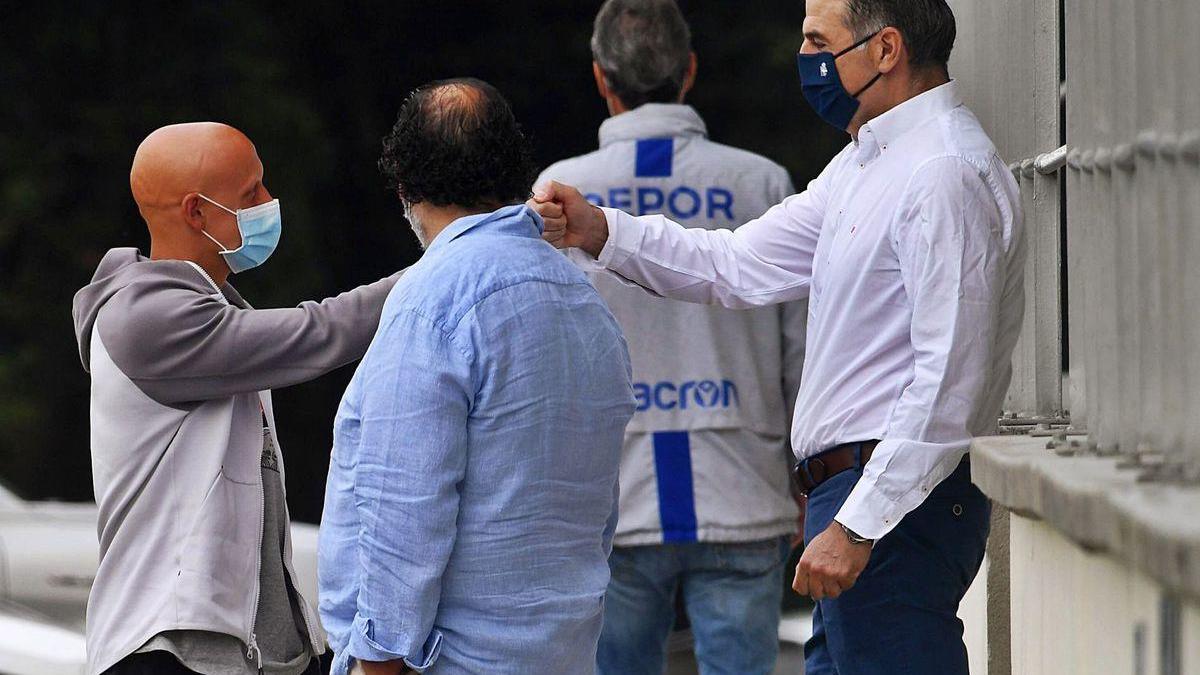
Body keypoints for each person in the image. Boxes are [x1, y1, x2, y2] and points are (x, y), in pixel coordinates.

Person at [529, 0, 1028, 672]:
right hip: (861, 501)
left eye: (818, 41)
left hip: (888, 507)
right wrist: (600, 230)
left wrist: (857, 524)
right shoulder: (865, 164)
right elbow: (734, 264)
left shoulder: (941, 172)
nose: (808, 61)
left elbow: (949, 383)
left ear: (885, 50)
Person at [317, 78, 636, 675]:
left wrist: (377, 658)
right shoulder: (587, 304)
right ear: (517, 174)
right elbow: (596, 508)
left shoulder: (429, 301)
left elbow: (403, 504)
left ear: (405, 187)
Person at [71, 122, 402, 675]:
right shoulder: (150, 320)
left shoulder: (208, 306)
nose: (271, 203)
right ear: (196, 214)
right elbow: (322, 332)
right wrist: (447, 265)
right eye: (251, 194)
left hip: (242, 646)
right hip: (175, 647)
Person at [535, 1, 805, 673]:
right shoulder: (762, 181)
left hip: (608, 499)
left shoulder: (557, 195)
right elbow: (802, 347)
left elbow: (538, 354)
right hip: (744, 484)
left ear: (602, 79)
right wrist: (808, 477)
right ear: (689, 70)